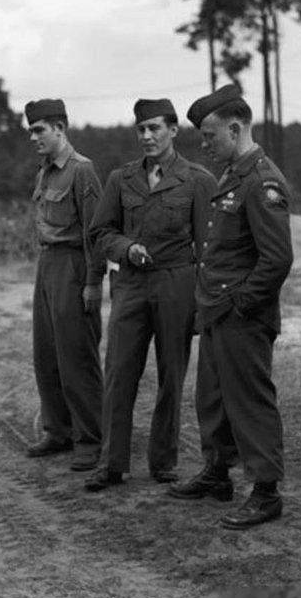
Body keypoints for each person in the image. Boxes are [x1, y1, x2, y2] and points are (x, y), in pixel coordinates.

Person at [169, 84, 293, 530]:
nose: (204, 145)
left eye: (209, 135)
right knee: (214, 398)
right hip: (219, 311)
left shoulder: (262, 181)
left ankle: (265, 492)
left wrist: (242, 302)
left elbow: (277, 258)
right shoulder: (232, 175)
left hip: (242, 316)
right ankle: (217, 473)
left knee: (249, 401)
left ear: (236, 129)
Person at [85, 98, 216, 492]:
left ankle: (163, 461)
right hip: (130, 285)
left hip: (176, 283)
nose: (146, 136)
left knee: (171, 375)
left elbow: (208, 248)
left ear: (173, 131)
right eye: (140, 129)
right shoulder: (120, 179)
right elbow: (100, 232)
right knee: (119, 372)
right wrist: (126, 249)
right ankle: (111, 463)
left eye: (155, 128)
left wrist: (202, 304)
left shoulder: (198, 180)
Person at [25, 98, 105, 472]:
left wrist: (93, 283)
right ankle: (57, 430)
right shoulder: (45, 173)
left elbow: (96, 233)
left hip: (74, 265)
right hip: (48, 265)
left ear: (60, 128)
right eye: (31, 131)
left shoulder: (81, 171)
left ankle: (89, 438)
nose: (34, 138)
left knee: (77, 356)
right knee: (47, 355)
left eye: (40, 130)